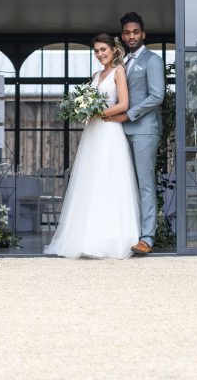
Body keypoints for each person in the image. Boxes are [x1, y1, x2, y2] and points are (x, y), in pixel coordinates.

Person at [44, 33, 141, 259]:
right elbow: (90, 100)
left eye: (103, 50)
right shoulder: (96, 75)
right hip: (93, 133)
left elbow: (124, 104)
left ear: (114, 50)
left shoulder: (119, 72)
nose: (99, 55)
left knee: (110, 180)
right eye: (96, 51)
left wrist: (99, 113)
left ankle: (111, 238)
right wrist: (84, 110)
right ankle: (85, 238)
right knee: (90, 181)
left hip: (109, 131)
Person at [104, 12, 164, 254]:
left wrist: (128, 115)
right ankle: (127, 233)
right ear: (122, 35)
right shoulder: (122, 63)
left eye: (135, 32)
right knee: (124, 184)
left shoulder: (153, 60)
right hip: (120, 132)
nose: (131, 36)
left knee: (145, 185)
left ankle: (147, 238)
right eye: (127, 32)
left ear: (143, 34)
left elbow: (157, 96)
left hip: (144, 131)